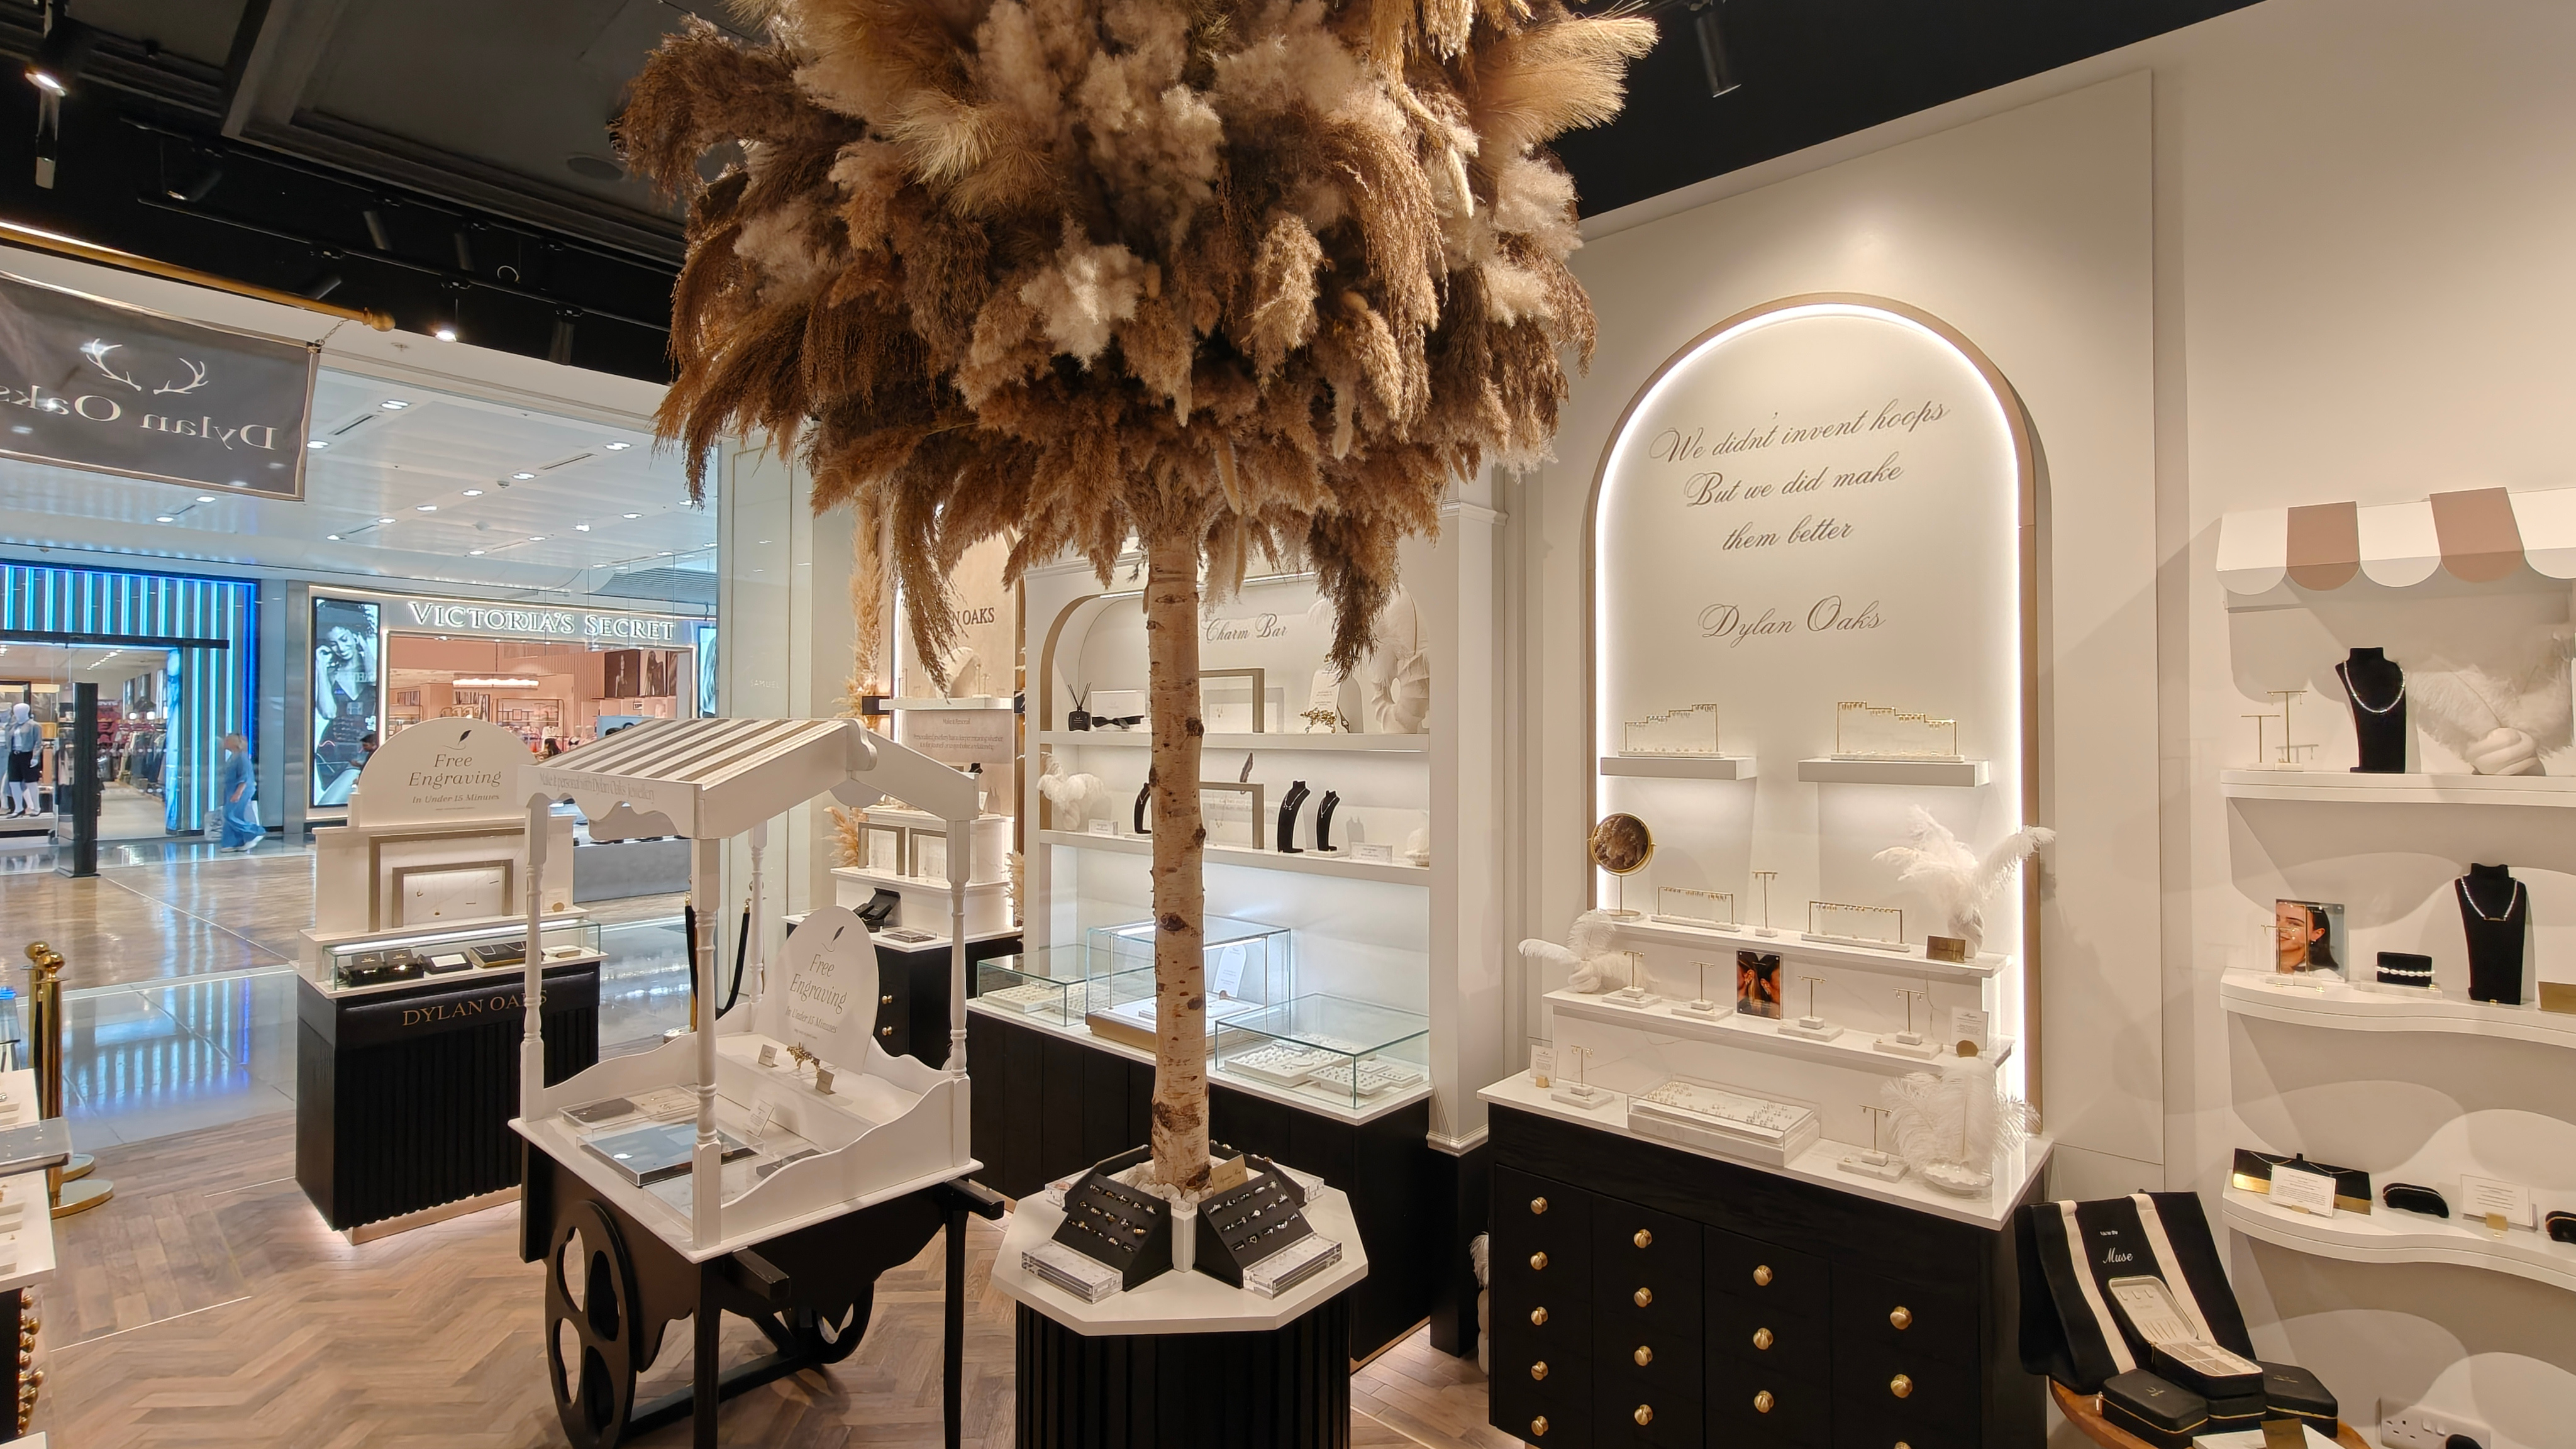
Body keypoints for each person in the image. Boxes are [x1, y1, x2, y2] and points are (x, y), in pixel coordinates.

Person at [218, 732, 262, 852]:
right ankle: (232, 843)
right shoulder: (234, 757)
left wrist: (238, 793)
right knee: (234, 815)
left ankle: (254, 832)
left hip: (240, 790)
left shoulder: (242, 758)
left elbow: (245, 777)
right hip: (232, 789)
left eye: (227, 740)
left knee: (230, 814)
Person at [3, 703, 38, 818]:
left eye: (20, 711)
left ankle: (35, 807)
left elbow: (38, 742)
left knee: (30, 782)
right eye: (16, 712)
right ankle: (18, 808)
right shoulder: (13, 726)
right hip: (13, 754)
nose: (17, 714)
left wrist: (35, 757)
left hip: (27, 754)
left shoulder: (33, 725)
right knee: (13, 782)